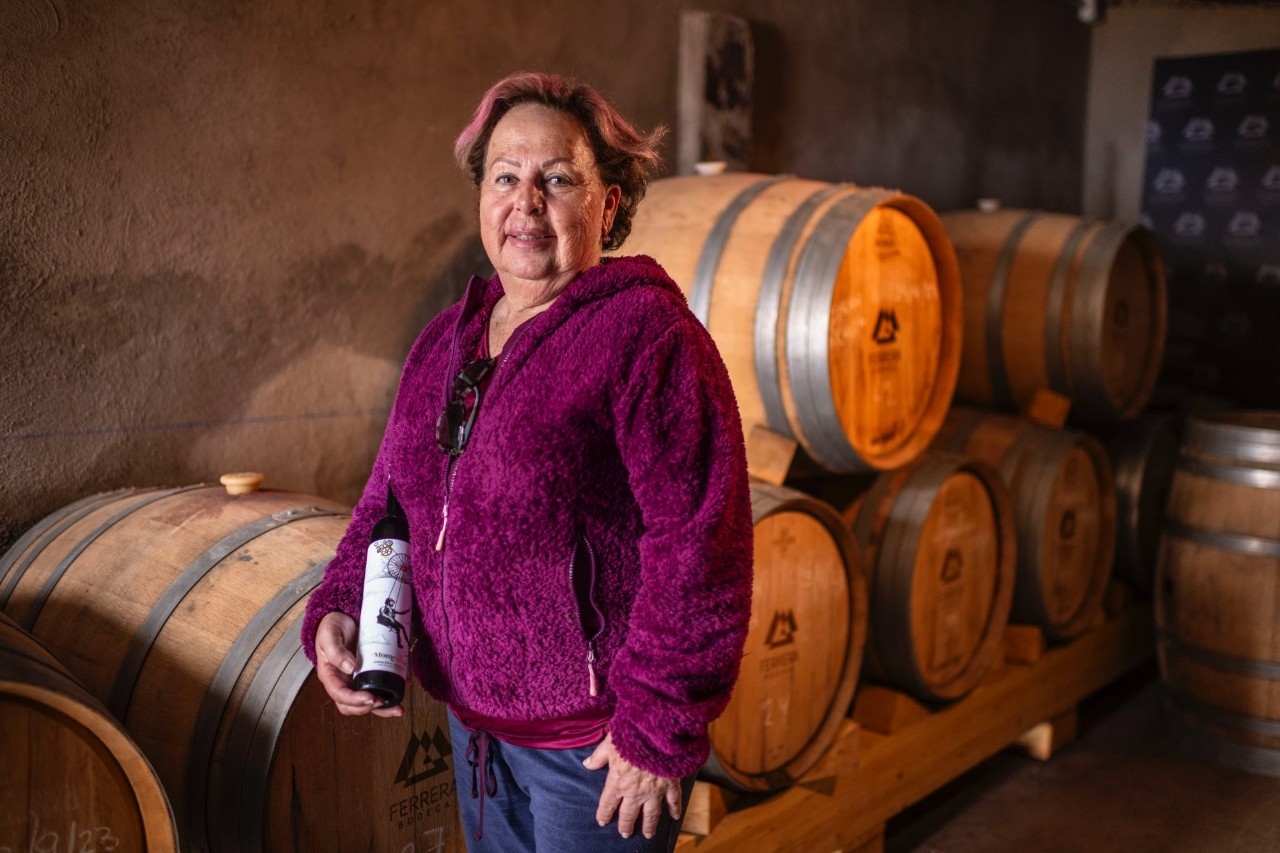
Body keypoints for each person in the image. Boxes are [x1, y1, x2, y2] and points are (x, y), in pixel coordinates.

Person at [302, 71, 753, 853]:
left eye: (557, 180)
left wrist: (657, 725)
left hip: (597, 753)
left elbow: (700, 538)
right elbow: (390, 502)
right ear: (482, 197)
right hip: (477, 736)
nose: (526, 202)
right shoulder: (446, 340)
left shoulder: (646, 335)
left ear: (608, 205)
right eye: (505, 177)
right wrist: (340, 602)